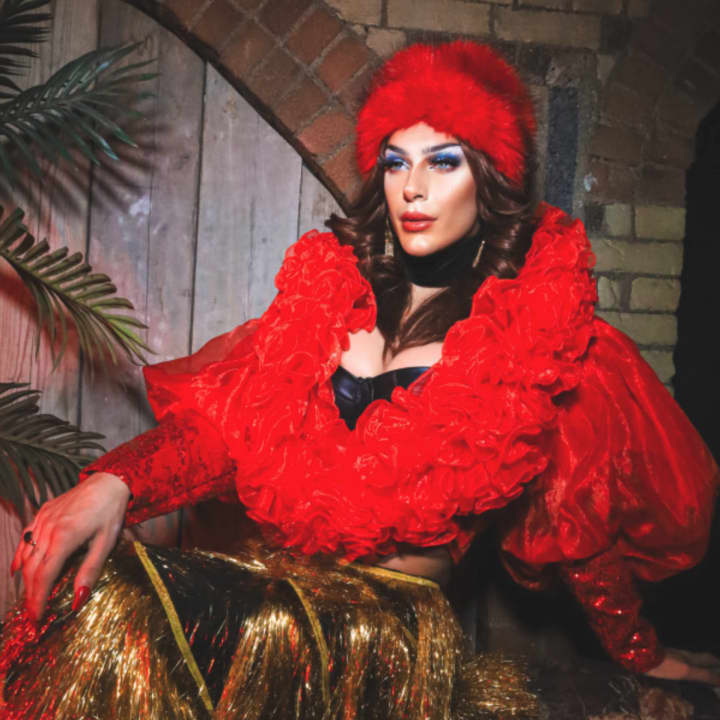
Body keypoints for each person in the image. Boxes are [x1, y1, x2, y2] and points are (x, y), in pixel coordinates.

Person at [2, 41, 719, 718]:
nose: (413, 189)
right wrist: (115, 482)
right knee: (93, 605)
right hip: (270, 609)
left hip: (382, 649)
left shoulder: (537, 336)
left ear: (489, 178)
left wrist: (641, 653)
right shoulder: (327, 296)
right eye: (395, 162)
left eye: (443, 163)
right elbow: (231, 432)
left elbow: (580, 523)